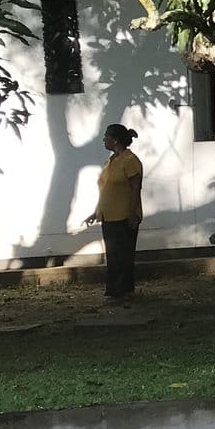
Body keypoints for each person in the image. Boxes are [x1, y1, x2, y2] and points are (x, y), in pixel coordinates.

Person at [84, 124, 144, 300]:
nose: (104, 140)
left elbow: (136, 188)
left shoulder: (130, 160)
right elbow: (106, 190)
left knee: (123, 255)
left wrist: (133, 212)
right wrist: (96, 212)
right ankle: (114, 291)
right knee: (113, 255)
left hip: (124, 216)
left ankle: (124, 291)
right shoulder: (111, 161)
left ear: (115, 139)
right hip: (108, 216)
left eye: (106, 137)